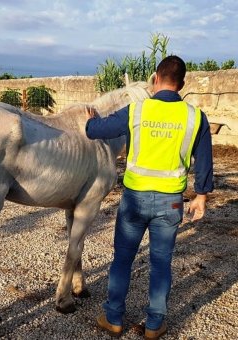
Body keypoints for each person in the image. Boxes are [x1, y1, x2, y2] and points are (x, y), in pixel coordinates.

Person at [85, 55, 214, 339]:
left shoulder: (137, 110)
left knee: (122, 259)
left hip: (134, 200)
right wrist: (201, 197)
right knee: (160, 262)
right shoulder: (195, 117)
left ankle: (113, 318)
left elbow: (95, 131)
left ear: (155, 78)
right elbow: (204, 161)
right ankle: (155, 325)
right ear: (182, 84)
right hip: (170, 202)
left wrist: (91, 121)